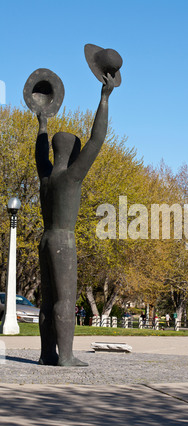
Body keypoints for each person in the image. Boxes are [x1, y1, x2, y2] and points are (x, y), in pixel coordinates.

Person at [35, 73, 115, 366]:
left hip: (44, 239)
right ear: (73, 152)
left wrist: (42, 123)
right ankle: (65, 356)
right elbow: (97, 138)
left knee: (46, 300)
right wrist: (104, 98)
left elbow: (40, 152)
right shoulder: (71, 177)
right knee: (65, 300)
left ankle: (47, 354)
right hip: (63, 240)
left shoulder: (46, 177)